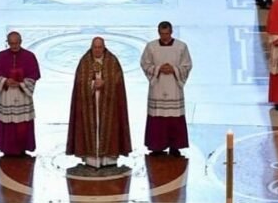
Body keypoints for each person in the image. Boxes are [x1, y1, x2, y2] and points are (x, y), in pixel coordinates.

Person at [66, 37, 132, 168]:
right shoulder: (84, 61)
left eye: (99, 47)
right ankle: (91, 159)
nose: (97, 50)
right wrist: (91, 84)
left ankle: (108, 159)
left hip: (109, 104)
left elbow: (118, 81)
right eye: (95, 47)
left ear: (104, 47)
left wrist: (105, 83)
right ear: (91, 47)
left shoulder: (112, 61)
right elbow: (79, 81)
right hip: (89, 103)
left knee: (109, 127)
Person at [140, 21, 192, 156]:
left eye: (167, 34)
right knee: (157, 117)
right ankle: (157, 146)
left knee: (174, 117)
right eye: (162, 34)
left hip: (174, 86)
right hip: (158, 87)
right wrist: (158, 69)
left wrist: (174, 69)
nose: (165, 37)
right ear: (158, 32)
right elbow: (144, 63)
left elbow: (187, 65)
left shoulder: (181, 47)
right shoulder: (151, 47)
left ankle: (175, 146)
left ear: (171, 32)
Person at [0, 31, 41, 157]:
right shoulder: (1, 56)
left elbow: (34, 75)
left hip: (22, 95)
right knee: (8, 123)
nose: (14, 46)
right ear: (8, 43)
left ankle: (23, 147)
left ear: (21, 42)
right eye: (11, 43)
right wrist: (5, 81)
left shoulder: (29, 56)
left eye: (16, 43)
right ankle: (7, 148)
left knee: (22, 123)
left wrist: (21, 83)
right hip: (7, 95)